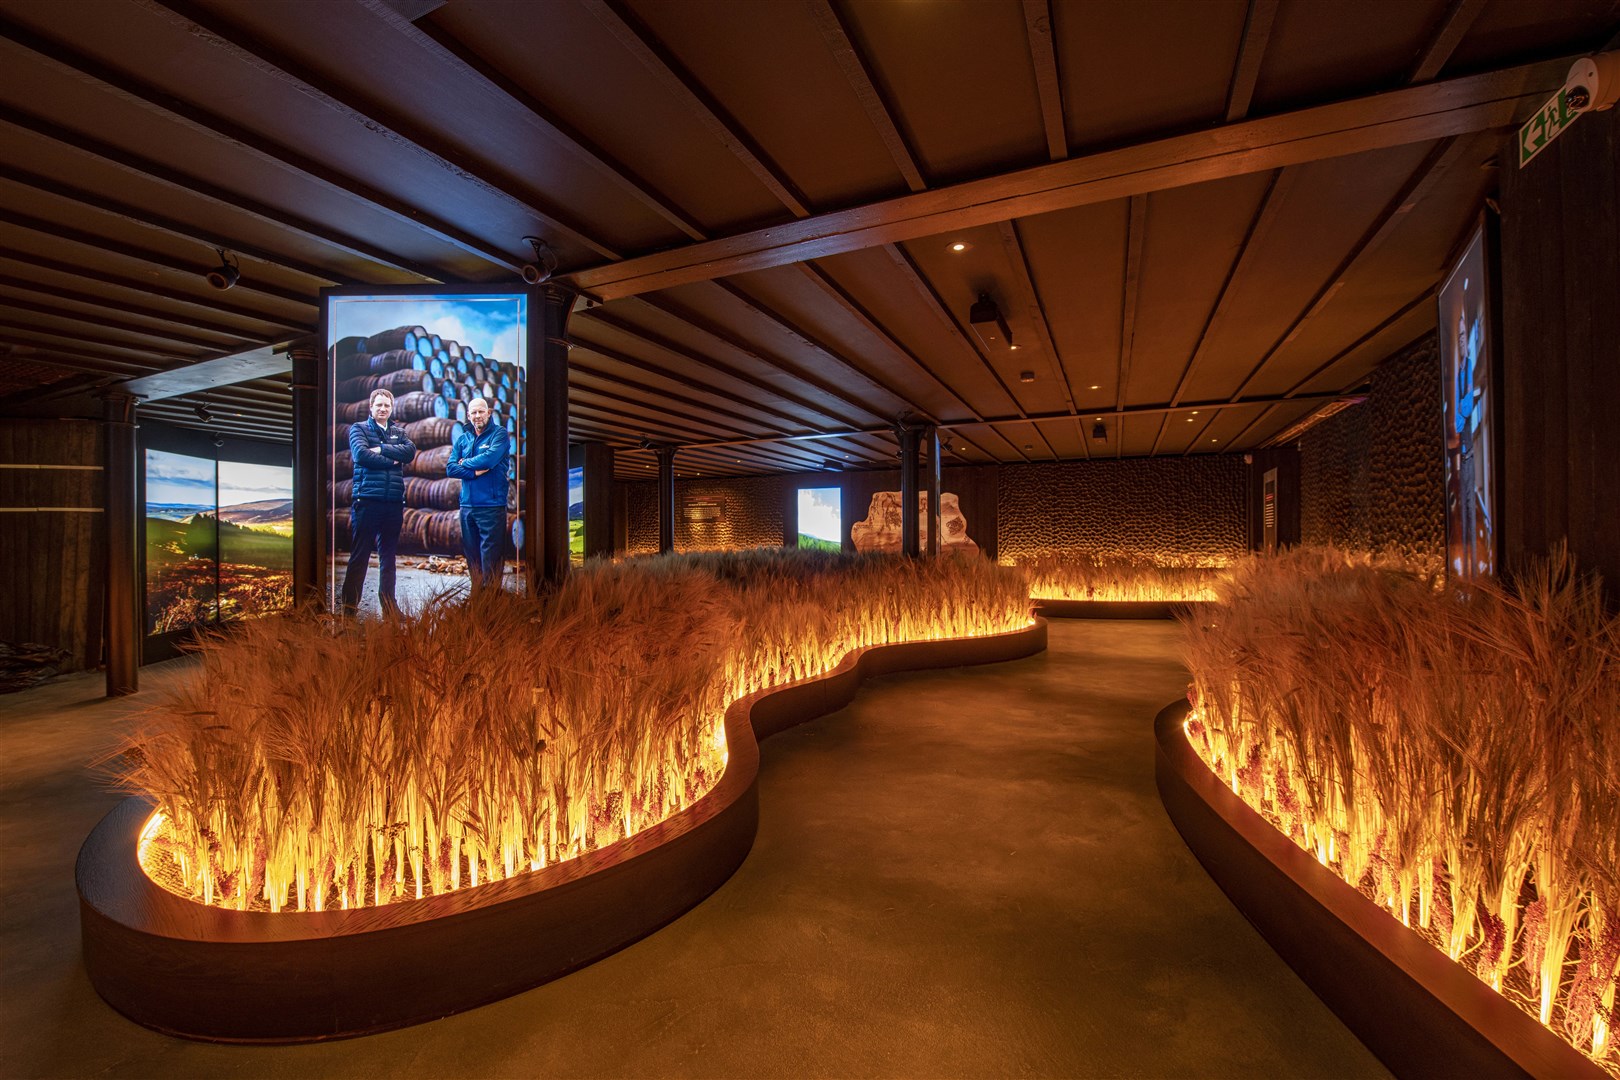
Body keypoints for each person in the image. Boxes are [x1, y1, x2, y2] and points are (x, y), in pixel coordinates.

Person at [341, 387, 416, 615]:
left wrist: (382, 449)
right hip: (367, 501)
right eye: (379, 405)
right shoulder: (359, 429)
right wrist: (392, 461)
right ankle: (349, 609)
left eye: (387, 405)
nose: (383, 409)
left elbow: (410, 452)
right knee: (360, 555)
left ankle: (390, 608)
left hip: (393, 502)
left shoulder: (398, 432)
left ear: (391, 408)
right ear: (371, 407)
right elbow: (361, 455)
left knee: (388, 557)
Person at [446, 396, 510, 592]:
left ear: (488, 413)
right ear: (468, 415)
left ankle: (491, 603)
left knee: (491, 559)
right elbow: (450, 469)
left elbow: (489, 460)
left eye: (481, 411)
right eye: (473, 412)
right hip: (467, 507)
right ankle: (478, 600)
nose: (477, 416)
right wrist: (473, 471)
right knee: (472, 557)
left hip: (491, 506)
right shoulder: (463, 438)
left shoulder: (499, 434)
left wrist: (464, 463)